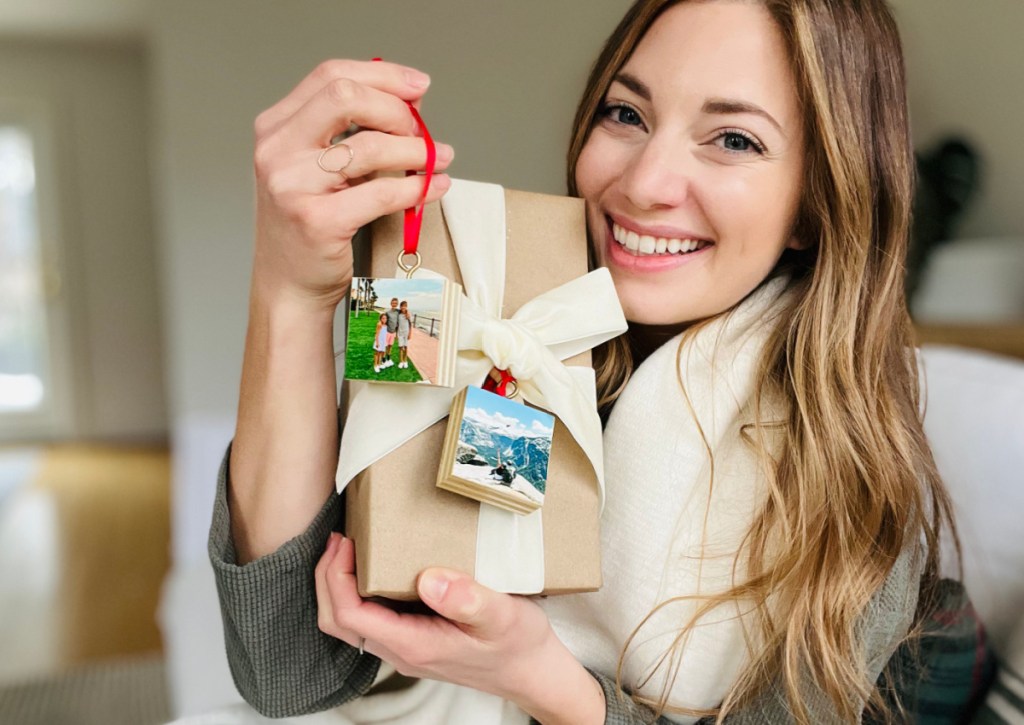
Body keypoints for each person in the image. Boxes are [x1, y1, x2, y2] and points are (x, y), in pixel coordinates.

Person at [213, 0, 971, 722]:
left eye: (734, 139)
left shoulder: (856, 502)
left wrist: (551, 687)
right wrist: (290, 291)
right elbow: (284, 668)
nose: (642, 185)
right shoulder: (496, 334)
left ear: (815, 200)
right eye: (627, 114)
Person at [382, 297, 401, 368]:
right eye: (393, 303)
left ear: (397, 304)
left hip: (393, 333)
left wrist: (396, 334)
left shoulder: (398, 312)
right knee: (385, 346)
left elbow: (404, 314)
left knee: (390, 346)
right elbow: (383, 321)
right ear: (391, 303)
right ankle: (383, 361)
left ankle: (388, 359)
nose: (394, 304)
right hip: (387, 332)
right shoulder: (387, 312)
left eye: (396, 303)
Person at [397, 300, 413, 369]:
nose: (403, 307)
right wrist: (396, 334)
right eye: (402, 306)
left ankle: (405, 361)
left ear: (406, 307)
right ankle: (401, 361)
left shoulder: (408, 315)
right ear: (400, 307)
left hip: (406, 333)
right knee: (400, 347)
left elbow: (410, 325)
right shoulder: (399, 315)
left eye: (405, 306)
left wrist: (410, 334)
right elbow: (397, 324)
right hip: (400, 333)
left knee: (406, 347)